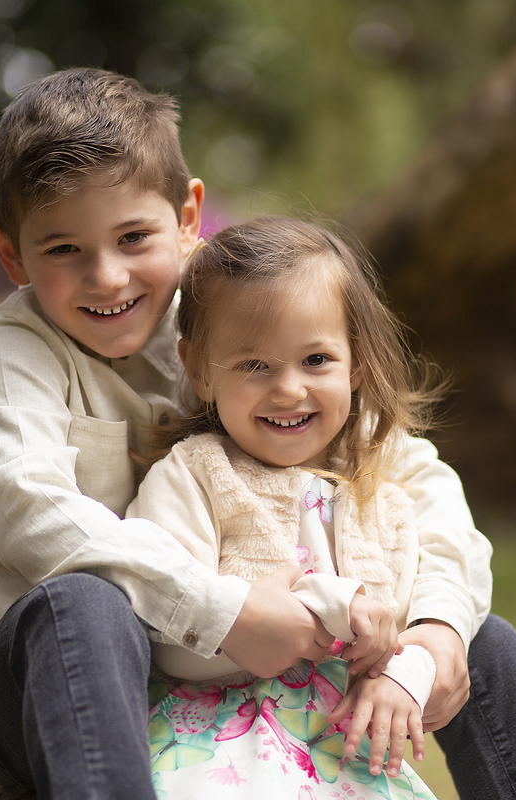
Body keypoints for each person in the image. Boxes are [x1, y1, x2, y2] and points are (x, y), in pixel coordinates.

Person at [0, 66, 516, 800]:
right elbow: (31, 515)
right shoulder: (12, 353)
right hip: (52, 673)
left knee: (485, 639)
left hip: (253, 651)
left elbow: (412, 474)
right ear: (9, 252)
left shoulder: (234, 313)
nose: (108, 277)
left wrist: (437, 628)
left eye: (133, 237)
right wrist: (223, 610)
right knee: (86, 604)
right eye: (63, 250)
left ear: (188, 217)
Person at [127, 215, 448, 798]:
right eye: (254, 365)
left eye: (316, 360)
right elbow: (166, 639)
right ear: (199, 368)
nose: (289, 389)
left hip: (343, 749)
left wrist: (408, 674)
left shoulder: (381, 496)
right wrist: (324, 603)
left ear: (356, 362)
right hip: (220, 748)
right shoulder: (195, 476)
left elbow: (403, 628)